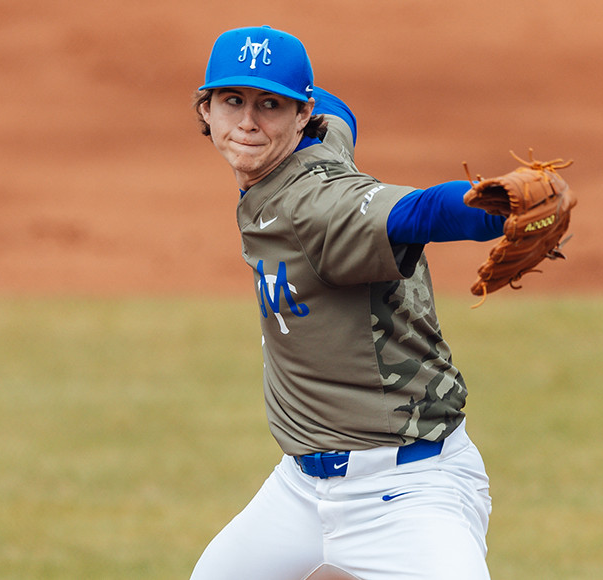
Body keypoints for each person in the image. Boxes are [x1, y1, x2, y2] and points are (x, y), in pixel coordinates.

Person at [189, 25, 512, 580]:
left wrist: (497, 207)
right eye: (232, 101)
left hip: (408, 492)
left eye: (270, 105)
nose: (247, 121)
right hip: (299, 490)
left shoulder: (317, 208)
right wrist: (291, 89)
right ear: (206, 110)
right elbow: (339, 113)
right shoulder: (318, 138)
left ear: (300, 115)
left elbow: (419, 212)